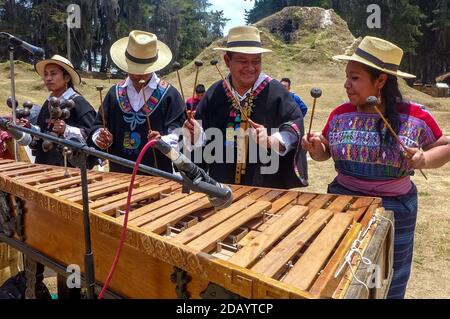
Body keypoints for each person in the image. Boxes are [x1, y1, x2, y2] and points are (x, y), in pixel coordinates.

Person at [301, 36, 450, 299]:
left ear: (381, 80)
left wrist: (424, 158)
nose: (346, 84)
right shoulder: (339, 114)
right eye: (347, 76)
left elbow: (445, 145)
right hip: (344, 206)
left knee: (385, 278)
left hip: (396, 211)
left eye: (355, 78)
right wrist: (316, 149)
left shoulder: (414, 115)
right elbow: (326, 152)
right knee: (342, 275)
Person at [184, 26, 308, 189]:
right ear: (227, 60)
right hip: (221, 184)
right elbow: (199, 139)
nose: (250, 68)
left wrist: (271, 140)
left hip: (265, 184)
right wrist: (195, 135)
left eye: (256, 61)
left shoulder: (276, 92)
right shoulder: (214, 93)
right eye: (243, 61)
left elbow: (294, 127)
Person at [89, 30, 186, 173]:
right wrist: (101, 137)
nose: (135, 74)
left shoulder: (170, 95)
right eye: (132, 67)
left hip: (157, 177)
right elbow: (98, 125)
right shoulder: (114, 94)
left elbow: (180, 134)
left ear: (153, 65)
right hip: (118, 175)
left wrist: (162, 141)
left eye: (141, 69)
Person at [20, 54, 96, 166]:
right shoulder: (48, 103)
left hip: (70, 170)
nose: (48, 78)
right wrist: (30, 128)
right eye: (45, 74)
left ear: (67, 78)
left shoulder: (80, 104)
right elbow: (42, 130)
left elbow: (93, 137)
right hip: (44, 165)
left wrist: (66, 129)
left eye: (53, 73)